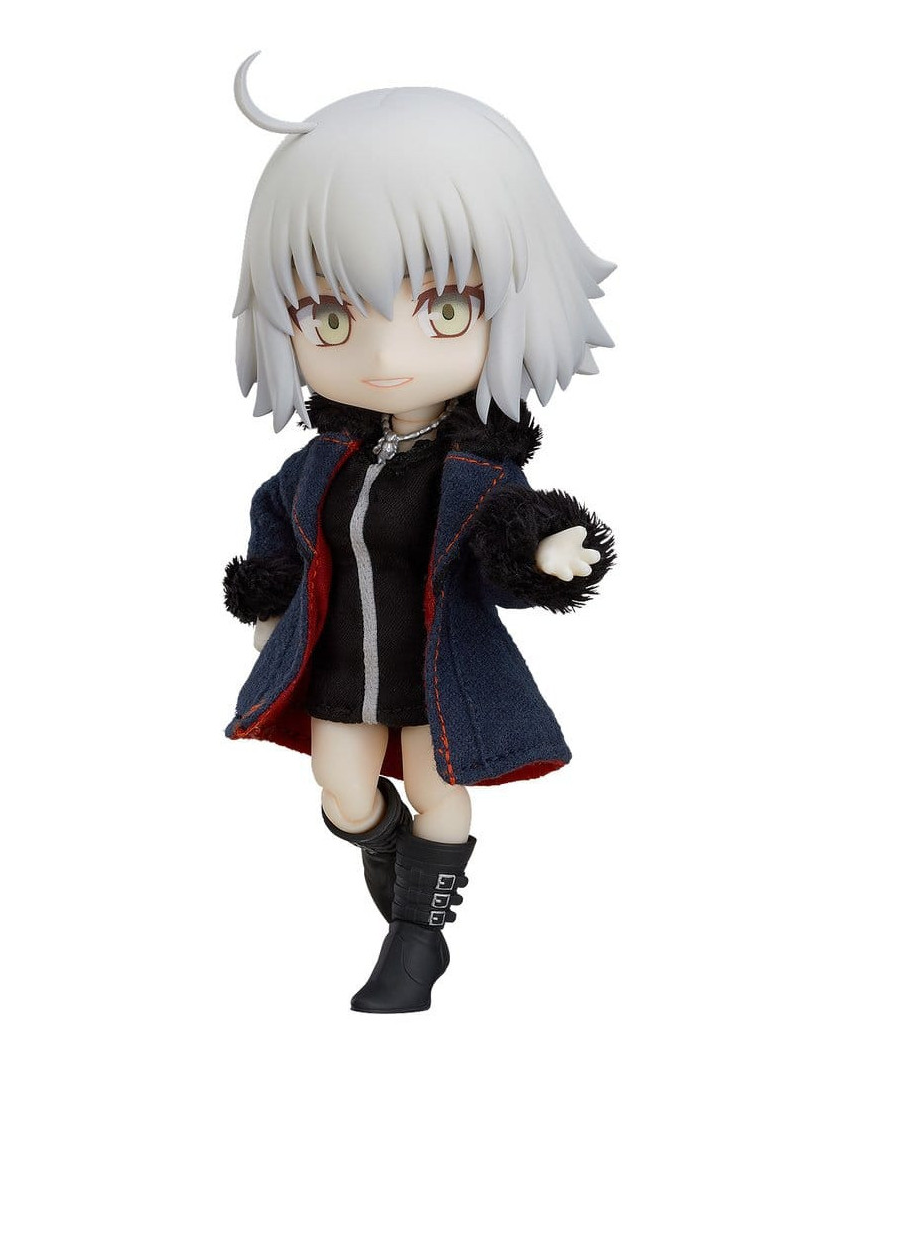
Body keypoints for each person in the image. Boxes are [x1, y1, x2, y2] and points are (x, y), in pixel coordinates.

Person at [223, 55, 616, 1012]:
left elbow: (507, 531)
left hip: (442, 669)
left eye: (445, 308)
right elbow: (277, 526)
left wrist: (546, 554)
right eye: (329, 315)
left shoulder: (477, 468)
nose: (386, 354)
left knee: (440, 788)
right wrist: (269, 604)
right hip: (341, 665)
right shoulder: (322, 464)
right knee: (342, 792)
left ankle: (418, 939)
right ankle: (399, 862)